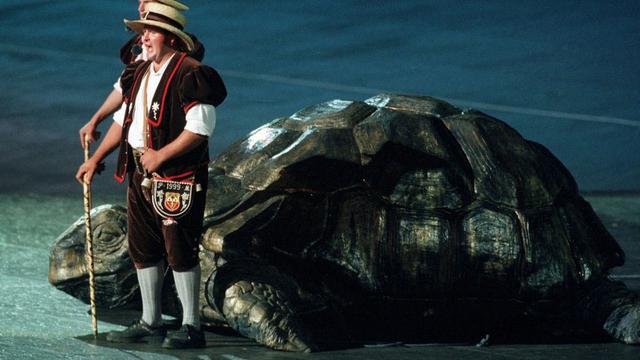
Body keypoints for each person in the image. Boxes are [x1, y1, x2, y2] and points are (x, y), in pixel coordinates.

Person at [75, 1, 226, 349]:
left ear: (171, 38)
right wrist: (97, 158)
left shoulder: (190, 73)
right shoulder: (141, 71)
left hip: (176, 176)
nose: (142, 39)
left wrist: (162, 155)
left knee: (180, 248)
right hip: (140, 172)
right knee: (143, 247)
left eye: (150, 32)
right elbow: (123, 120)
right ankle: (151, 319)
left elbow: (201, 128)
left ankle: (191, 325)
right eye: (142, 31)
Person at [78, 0, 204, 149]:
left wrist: (97, 157)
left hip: (164, 152)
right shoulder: (144, 47)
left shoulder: (180, 62)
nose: (140, 8)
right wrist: (95, 121)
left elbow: (198, 125)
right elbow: (123, 90)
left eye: (146, 1)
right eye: (139, 2)